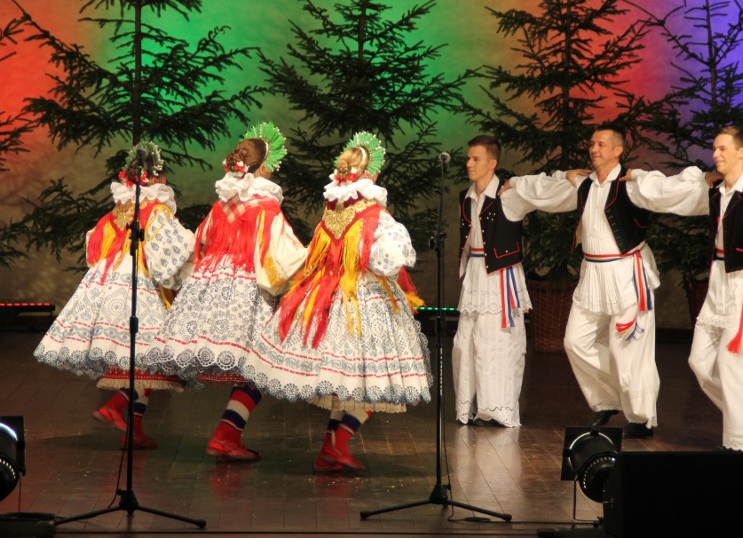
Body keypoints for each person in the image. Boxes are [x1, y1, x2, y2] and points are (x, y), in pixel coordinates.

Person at [246, 131, 432, 472]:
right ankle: (338, 442)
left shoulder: (332, 211)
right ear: (371, 174)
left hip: (326, 298)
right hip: (363, 303)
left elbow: (319, 255)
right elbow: (388, 261)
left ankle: (334, 447)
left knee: (349, 380)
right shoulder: (375, 215)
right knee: (377, 379)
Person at [506, 123, 704, 438]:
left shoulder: (632, 184)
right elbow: (547, 191)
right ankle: (608, 400)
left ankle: (641, 419)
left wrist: (707, 183)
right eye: (592, 144)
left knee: (629, 349)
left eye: (601, 144)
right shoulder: (583, 184)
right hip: (593, 275)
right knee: (575, 341)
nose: (594, 148)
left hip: (627, 275)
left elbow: (671, 192)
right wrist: (516, 184)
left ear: (617, 150)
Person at [139, 122, 307, 462]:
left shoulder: (222, 204)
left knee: (249, 365)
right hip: (245, 292)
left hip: (211, 287)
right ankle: (226, 435)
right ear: (262, 167)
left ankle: (223, 434)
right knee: (261, 365)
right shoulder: (266, 207)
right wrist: (308, 265)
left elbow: (198, 243)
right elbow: (281, 253)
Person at [626, 125, 743, 451]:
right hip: (719, 282)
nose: (716, 154)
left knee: (736, 366)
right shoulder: (717, 193)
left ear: (742, 152)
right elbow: (671, 195)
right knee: (700, 362)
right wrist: (637, 179)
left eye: (723, 149)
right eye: (714, 148)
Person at [34, 141, 194, 449]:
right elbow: (168, 253)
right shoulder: (156, 211)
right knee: (150, 358)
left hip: (110, 281)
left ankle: (133, 430)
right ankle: (117, 406)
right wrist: (191, 249)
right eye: (163, 176)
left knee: (141, 362)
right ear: (155, 178)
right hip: (139, 284)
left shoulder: (119, 210)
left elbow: (95, 246)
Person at [452, 135, 533, 428]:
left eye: (476, 159)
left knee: (494, 343)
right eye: (469, 158)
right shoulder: (466, 195)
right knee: (464, 343)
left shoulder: (508, 194)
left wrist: (568, 180)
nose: (469, 163)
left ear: (492, 163)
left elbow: (541, 195)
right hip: (476, 273)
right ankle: (467, 408)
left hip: (499, 276)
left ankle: (495, 410)